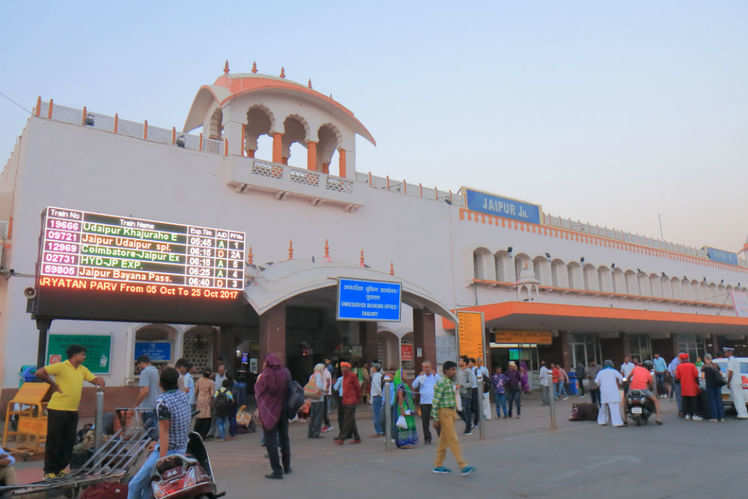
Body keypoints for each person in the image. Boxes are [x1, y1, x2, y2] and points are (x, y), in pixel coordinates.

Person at [36, 344, 105, 479]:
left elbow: (94, 379)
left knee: (68, 441)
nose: (84, 357)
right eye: (82, 354)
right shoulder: (61, 366)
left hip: (72, 410)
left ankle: (61, 469)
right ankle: (49, 471)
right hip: (57, 409)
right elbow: (39, 372)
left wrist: (100, 381)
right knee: (54, 440)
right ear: (75, 355)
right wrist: (53, 385)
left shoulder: (82, 369)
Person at [127, 366, 190, 499]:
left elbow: (165, 432)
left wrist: (162, 460)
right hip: (183, 449)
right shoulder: (183, 396)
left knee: (134, 485)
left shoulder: (163, 402)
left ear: (160, 383)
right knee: (149, 487)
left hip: (168, 452)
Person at [432, 361, 474, 476]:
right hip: (444, 412)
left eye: (454, 369)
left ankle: (438, 465)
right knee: (453, 438)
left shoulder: (449, 382)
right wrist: (435, 418)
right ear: (445, 371)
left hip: (450, 412)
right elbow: (435, 401)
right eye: (451, 369)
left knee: (443, 440)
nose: (454, 371)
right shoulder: (442, 382)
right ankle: (462, 465)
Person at [255, 354, 291, 479]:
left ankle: (277, 470)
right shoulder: (285, 373)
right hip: (283, 410)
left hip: (269, 411)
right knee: (284, 439)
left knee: (271, 442)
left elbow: (259, 392)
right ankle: (287, 467)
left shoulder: (265, 376)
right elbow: (289, 389)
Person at [625, 359, 663, 425]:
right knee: (655, 400)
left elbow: (628, 378)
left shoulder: (635, 368)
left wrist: (628, 383)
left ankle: (625, 420)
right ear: (649, 367)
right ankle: (658, 418)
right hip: (643, 389)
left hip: (632, 389)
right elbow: (650, 384)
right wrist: (650, 388)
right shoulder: (648, 373)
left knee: (625, 401)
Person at [134, 355, 161, 439]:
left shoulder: (145, 372)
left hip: (147, 407)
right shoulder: (155, 371)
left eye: (138, 365)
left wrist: (136, 404)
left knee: (150, 434)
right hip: (156, 405)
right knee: (155, 431)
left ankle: (151, 451)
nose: (138, 368)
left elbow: (145, 391)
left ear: (141, 363)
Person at [412, 361, 439, 444]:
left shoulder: (435, 376)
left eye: (428, 367)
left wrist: (435, 375)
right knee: (425, 422)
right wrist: (418, 377)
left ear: (431, 368)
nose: (426, 369)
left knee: (437, 420)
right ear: (422, 368)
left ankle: (441, 435)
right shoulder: (421, 377)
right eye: (425, 367)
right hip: (424, 402)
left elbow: (442, 383)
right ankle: (427, 438)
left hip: (434, 402)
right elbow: (413, 385)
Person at [335, 362, 362, 445]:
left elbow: (357, 387)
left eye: (344, 367)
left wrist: (358, 398)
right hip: (345, 400)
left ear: (348, 368)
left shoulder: (352, 376)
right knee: (351, 419)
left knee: (347, 419)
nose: (342, 369)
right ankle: (357, 437)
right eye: (342, 367)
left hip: (351, 400)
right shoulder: (343, 377)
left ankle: (342, 438)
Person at [595, 360, 624, 427]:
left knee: (603, 407)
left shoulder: (600, 372)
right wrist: (620, 383)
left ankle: (602, 421)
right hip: (613, 391)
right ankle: (617, 423)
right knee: (614, 407)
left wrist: (600, 386)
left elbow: (597, 382)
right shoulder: (614, 371)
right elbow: (621, 379)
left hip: (604, 392)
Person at [394, 372, 418, 448]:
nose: (406, 375)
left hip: (408, 407)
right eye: (404, 374)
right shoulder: (400, 385)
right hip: (404, 407)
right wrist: (402, 409)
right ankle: (403, 443)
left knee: (408, 424)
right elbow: (400, 397)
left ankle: (407, 441)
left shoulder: (404, 384)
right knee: (405, 425)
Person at [676, 353, 701, 421]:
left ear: (681, 359)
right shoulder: (692, 365)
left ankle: (687, 415)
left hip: (684, 387)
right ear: (687, 359)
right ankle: (694, 415)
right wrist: (698, 384)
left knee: (685, 401)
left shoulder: (679, 366)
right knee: (693, 401)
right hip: (692, 386)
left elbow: (677, 378)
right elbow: (696, 376)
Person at [725, 347, 748, 419]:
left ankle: (741, 414)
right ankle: (743, 413)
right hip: (737, 381)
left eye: (726, 352)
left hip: (734, 382)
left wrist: (728, 382)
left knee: (737, 398)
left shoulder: (731, 360)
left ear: (730, 352)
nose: (725, 353)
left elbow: (730, 372)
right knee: (739, 398)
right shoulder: (734, 359)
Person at [702, 354, 725, 422]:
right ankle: (721, 417)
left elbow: (703, 377)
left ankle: (714, 417)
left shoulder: (704, 367)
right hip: (717, 385)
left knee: (712, 401)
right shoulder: (716, 365)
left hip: (710, 386)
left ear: (705, 359)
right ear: (711, 359)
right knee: (719, 401)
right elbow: (721, 374)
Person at [456, 356, 475, 435]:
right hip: (459, 394)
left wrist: (462, 385)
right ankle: (469, 423)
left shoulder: (468, 371)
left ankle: (468, 429)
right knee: (459, 410)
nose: (459, 362)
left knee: (467, 411)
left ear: (464, 362)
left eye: (460, 361)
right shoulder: (459, 371)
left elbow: (471, 383)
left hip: (467, 393)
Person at [194, 368, 214, 438]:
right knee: (207, 417)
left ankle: (196, 432)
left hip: (200, 399)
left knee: (199, 416)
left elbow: (195, 391)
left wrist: (197, 398)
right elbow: (212, 394)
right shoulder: (211, 382)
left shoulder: (199, 380)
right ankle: (203, 434)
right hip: (207, 400)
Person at [307, 364, 326, 439]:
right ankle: (316, 433)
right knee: (318, 416)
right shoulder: (319, 376)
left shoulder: (312, 376)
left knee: (313, 416)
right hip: (319, 398)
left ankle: (310, 432)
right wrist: (324, 390)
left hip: (312, 398)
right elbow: (319, 386)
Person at [369, 363, 384, 437]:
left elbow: (377, 387)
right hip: (378, 396)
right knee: (379, 414)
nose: (371, 368)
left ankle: (379, 431)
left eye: (372, 367)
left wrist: (380, 394)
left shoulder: (376, 376)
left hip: (377, 397)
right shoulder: (379, 375)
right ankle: (380, 430)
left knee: (377, 415)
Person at [321, 359, 334, 433]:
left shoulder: (326, 372)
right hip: (325, 392)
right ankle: (327, 424)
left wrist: (326, 389)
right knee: (324, 410)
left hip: (325, 393)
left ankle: (328, 425)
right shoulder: (325, 372)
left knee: (324, 410)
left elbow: (328, 382)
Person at [469, 358, 480, 428]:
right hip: (469, 390)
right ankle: (471, 422)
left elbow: (480, 380)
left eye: (470, 362)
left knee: (475, 407)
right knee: (470, 407)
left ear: (473, 363)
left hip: (475, 389)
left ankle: (476, 422)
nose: (469, 363)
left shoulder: (476, 370)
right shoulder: (467, 370)